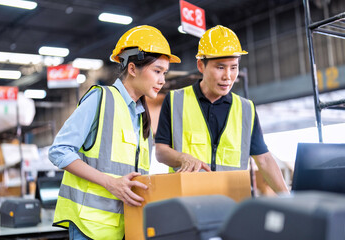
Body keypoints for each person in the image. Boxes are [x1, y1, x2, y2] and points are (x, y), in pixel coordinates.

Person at [48, 25, 180, 240]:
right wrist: (111, 183)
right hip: (89, 228)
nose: (162, 80)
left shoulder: (140, 115)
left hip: (125, 226)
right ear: (132, 68)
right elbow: (59, 151)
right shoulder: (101, 99)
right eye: (157, 71)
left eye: (164, 73)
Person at [155, 25, 288, 194]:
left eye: (233, 67)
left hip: (233, 208)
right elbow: (161, 152)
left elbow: (264, 159)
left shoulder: (246, 109)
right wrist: (182, 158)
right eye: (220, 67)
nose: (228, 76)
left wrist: (289, 198)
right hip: (188, 204)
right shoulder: (175, 101)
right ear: (201, 66)